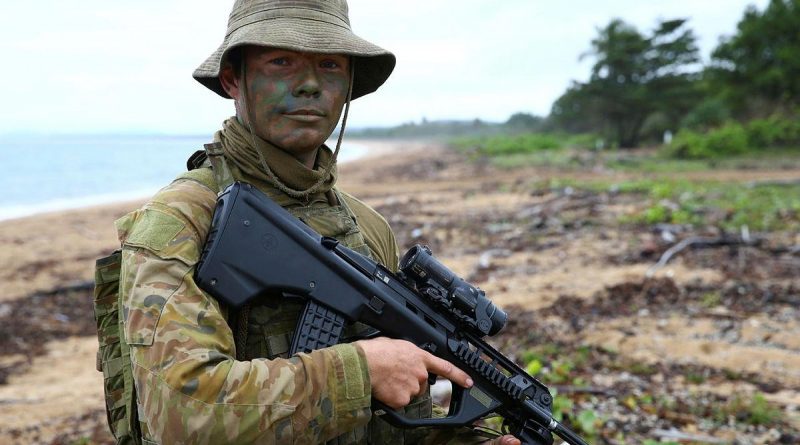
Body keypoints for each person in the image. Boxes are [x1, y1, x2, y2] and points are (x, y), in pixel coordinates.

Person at [116, 0, 521, 443]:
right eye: (281, 61)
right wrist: (361, 371)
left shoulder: (366, 229)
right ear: (234, 78)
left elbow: (394, 423)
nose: (309, 84)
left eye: (329, 64)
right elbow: (181, 416)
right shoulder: (182, 220)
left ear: (347, 83)